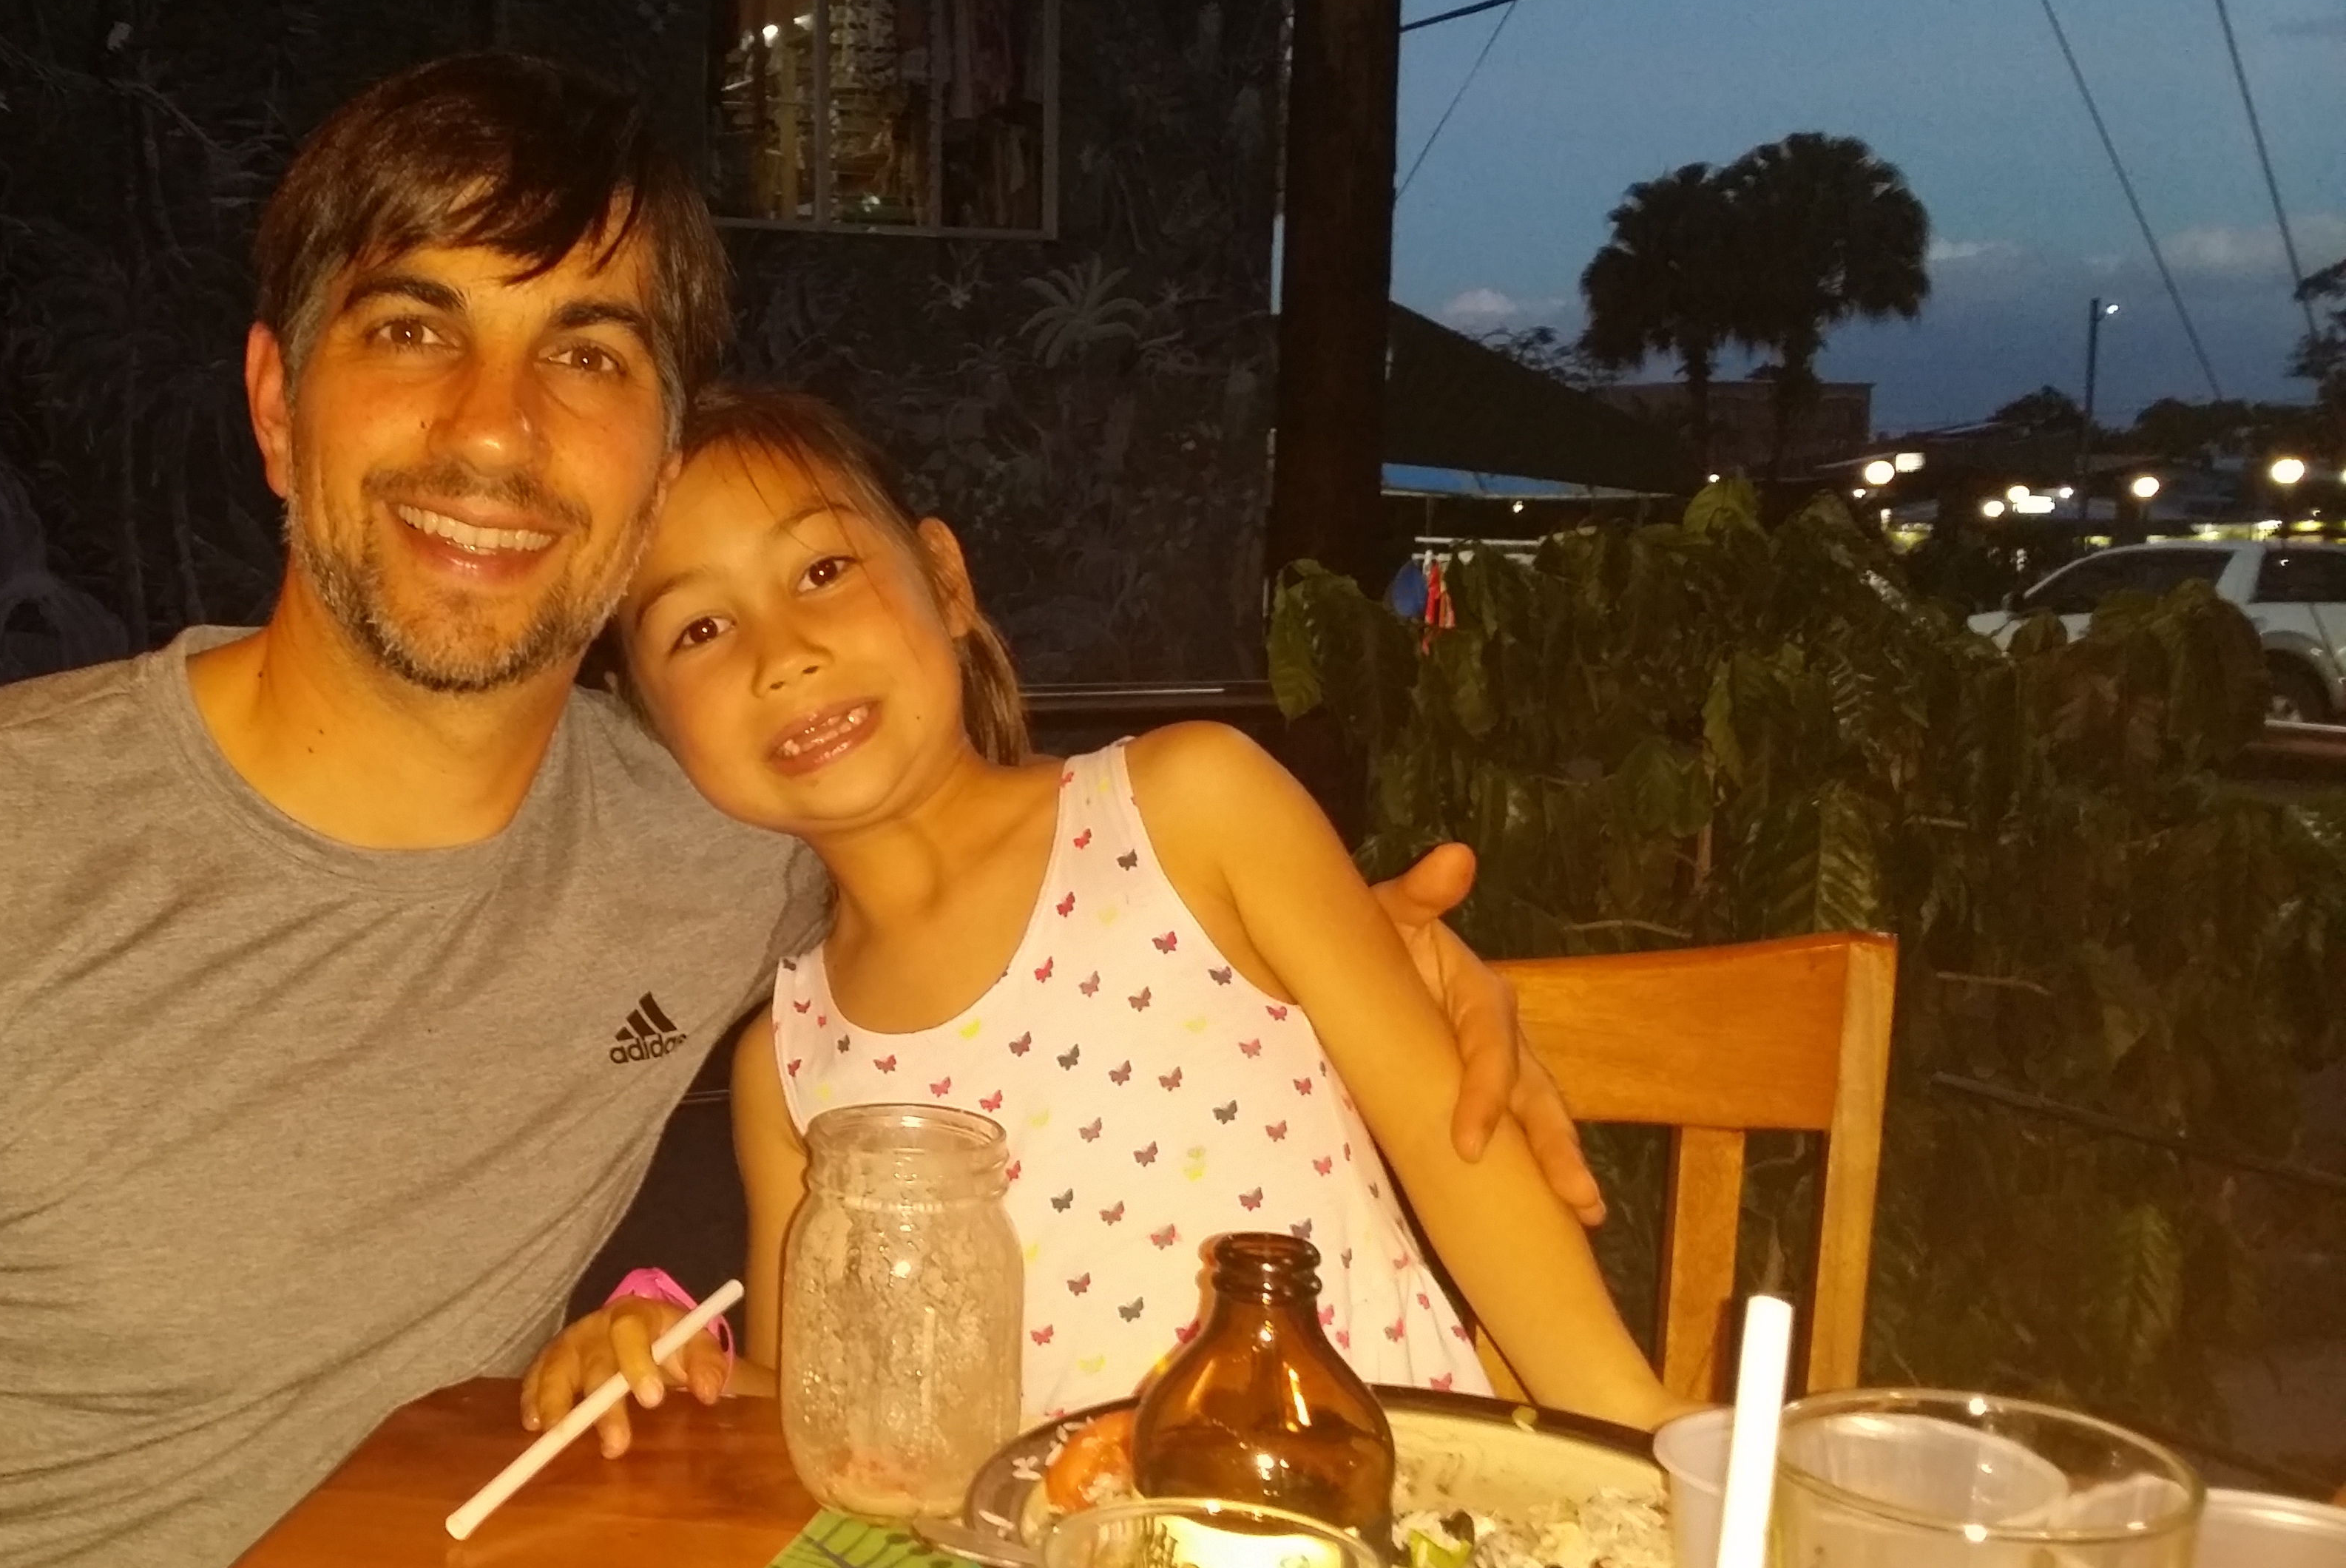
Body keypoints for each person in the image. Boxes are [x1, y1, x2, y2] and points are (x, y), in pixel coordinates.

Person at [0, 54, 1592, 1568]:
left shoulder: (713, 834)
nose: (499, 427)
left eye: (587, 351)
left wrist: (1365, 969)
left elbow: (1025, 902)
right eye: (414, 329)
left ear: (654, 449)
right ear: (277, 407)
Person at [522, 390, 1680, 1447]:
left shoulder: (1193, 803)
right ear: (655, 724)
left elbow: (1451, 1135)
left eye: (822, 570)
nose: (784, 654)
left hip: (1366, 1511)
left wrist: (1636, 1428)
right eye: (699, 630)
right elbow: (826, 1405)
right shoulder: (786, 1067)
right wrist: (670, 1350)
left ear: (946, 581)